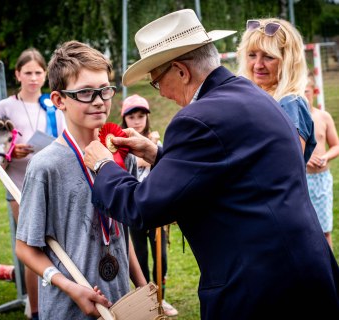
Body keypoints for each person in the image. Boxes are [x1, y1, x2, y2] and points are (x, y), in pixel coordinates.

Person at [83, 9, 339, 319]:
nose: (161, 92)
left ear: (181, 70)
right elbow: (231, 170)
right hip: (305, 274)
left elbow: (143, 207)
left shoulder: (196, 120)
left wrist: (104, 166)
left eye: (156, 81)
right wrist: (158, 153)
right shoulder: (252, 95)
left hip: (258, 291)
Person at [15, 40, 146, 320]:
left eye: (105, 90)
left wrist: (143, 287)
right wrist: (70, 287)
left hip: (121, 303)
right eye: (86, 92)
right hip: (68, 308)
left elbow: (121, 234)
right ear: (59, 100)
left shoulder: (122, 156)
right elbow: (25, 247)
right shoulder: (45, 166)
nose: (99, 100)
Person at [0, 48, 65, 320]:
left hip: (51, 185)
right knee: (32, 247)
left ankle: (57, 302)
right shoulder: (6, 107)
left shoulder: (52, 104)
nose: (34, 78)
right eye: (28, 73)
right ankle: (35, 310)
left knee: (56, 246)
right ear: (17, 74)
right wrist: (10, 151)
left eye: (38, 72)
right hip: (19, 187)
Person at [120, 94, 178, 317]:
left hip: (156, 208)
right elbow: (138, 162)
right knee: (140, 258)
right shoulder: (120, 144)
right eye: (132, 116)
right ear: (124, 119)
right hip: (135, 209)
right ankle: (146, 301)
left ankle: (161, 298)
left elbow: (164, 166)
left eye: (141, 116)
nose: (137, 120)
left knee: (160, 256)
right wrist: (147, 154)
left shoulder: (157, 141)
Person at [236, 18, 316, 163]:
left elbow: (288, 165)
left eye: (268, 57)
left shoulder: (290, 103)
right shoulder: (253, 97)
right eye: (252, 55)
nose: (258, 65)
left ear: (288, 61)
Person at [305, 72, 339, 249]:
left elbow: (336, 146)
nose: (304, 96)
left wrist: (325, 156)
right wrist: (304, 158)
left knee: (325, 230)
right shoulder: (290, 118)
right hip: (302, 181)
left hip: (321, 180)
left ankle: (331, 272)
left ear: (315, 91)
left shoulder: (323, 117)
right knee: (306, 230)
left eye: (307, 92)